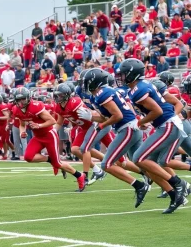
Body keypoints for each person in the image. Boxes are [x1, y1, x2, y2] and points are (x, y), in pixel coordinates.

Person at [119, 59, 187, 214]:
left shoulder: (139, 89)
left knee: (138, 158)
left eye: (123, 74)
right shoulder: (138, 88)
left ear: (132, 74)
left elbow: (158, 111)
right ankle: (173, 194)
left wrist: (140, 122)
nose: (121, 77)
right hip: (164, 125)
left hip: (168, 124)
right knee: (147, 163)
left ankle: (178, 183)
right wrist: (144, 122)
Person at [78, 68, 149, 207]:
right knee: (143, 162)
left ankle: (140, 185)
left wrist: (101, 125)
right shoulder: (95, 96)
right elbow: (106, 116)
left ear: (94, 82)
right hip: (127, 128)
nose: (83, 85)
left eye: (86, 82)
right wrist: (91, 117)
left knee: (107, 164)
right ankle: (175, 187)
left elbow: (118, 116)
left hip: (128, 128)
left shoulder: (103, 93)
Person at [12, 87, 85, 191]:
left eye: (23, 99)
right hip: (38, 137)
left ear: (28, 98)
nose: (20, 102)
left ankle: (79, 176)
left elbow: (52, 121)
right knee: (28, 157)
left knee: (58, 163)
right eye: (18, 100)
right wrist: (22, 132)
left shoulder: (35, 106)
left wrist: (38, 125)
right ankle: (50, 159)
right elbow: (22, 124)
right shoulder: (16, 109)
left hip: (49, 135)